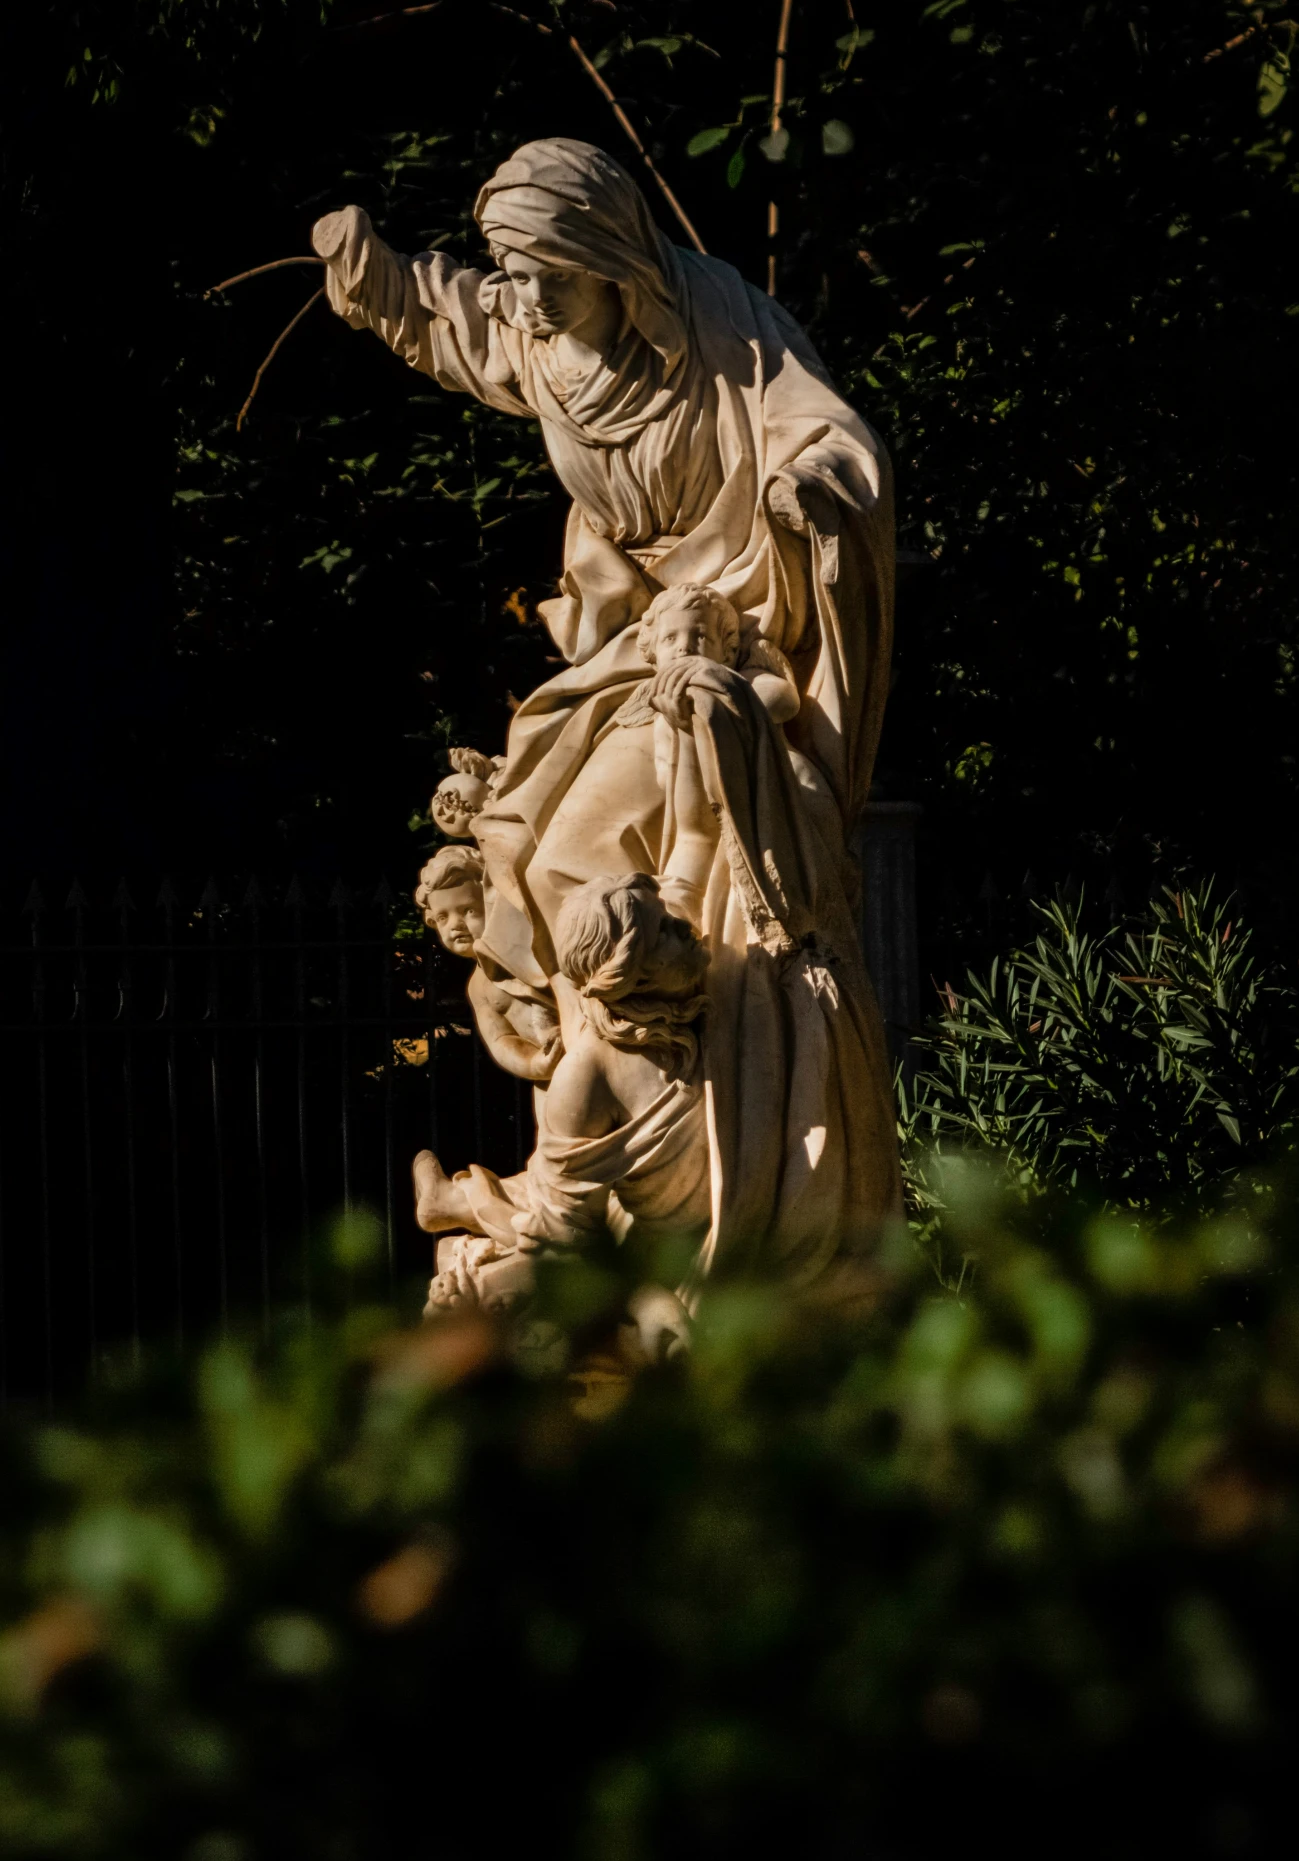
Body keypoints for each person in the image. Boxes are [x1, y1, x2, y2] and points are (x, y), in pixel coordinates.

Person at [317, 137, 900, 1281]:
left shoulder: (719, 331)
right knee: (520, 851)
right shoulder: (539, 339)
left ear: (608, 255)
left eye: (546, 270)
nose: (525, 297)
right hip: (627, 633)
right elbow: (461, 322)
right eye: (512, 269)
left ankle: (642, 1136)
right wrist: (377, 277)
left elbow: (825, 432)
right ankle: (611, 1138)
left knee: (577, 856)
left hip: (723, 628)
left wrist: (808, 490)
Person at [418, 874, 707, 1354]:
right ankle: (467, 1205)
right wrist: (646, 1298)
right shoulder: (590, 1075)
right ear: (625, 966)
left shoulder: (719, 1018)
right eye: (665, 931)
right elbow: (567, 1237)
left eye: (467, 909)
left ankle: (460, 1202)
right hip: (670, 1256)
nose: (687, 929)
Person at [413, 845, 560, 1086]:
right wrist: (535, 1064)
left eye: (468, 910)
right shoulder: (479, 987)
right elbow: (501, 1039)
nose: (455, 924)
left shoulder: (534, 949)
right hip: (551, 1075)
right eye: (443, 917)